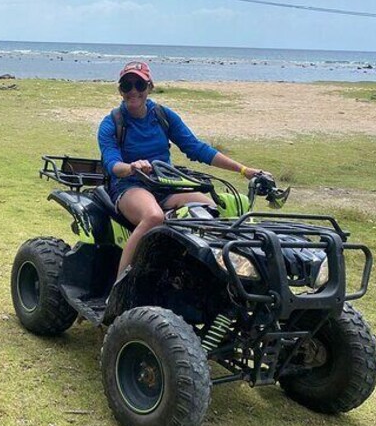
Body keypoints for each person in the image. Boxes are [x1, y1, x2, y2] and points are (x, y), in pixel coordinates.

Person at [98, 60, 268, 278]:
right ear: (120, 90)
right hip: (129, 186)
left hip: (165, 184)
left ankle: (221, 277)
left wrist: (243, 170)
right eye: (127, 85)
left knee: (213, 211)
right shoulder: (112, 122)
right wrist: (132, 167)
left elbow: (196, 148)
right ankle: (120, 286)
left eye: (139, 85)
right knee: (153, 217)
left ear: (149, 87)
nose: (133, 91)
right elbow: (112, 164)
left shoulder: (162, 115)